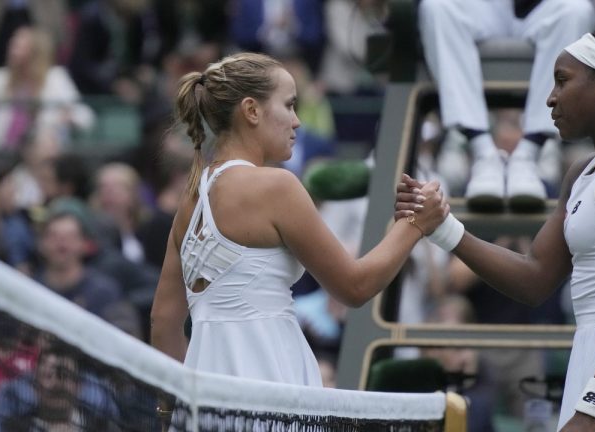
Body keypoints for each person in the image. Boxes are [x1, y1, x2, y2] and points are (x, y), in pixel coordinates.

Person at [396, 28, 595, 431]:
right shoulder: (581, 174)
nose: (550, 97)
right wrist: (443, 227)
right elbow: (534, 278)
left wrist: (593, 405)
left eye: (562, 80)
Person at [149, 53, 446, 399]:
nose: (297, 122)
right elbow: (355, 286)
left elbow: (164, 321)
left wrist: (172, 410)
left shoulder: (190, 198)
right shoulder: (277, 187)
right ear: (252, 111)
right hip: (273, 384)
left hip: (202, 399)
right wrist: (415, 224)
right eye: (289, 106)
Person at [418, 0, 595, 210]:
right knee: (437, 7)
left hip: (542, 7)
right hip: (482, 8)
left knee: (577, 11)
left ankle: (529, 155)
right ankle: (483, 154)